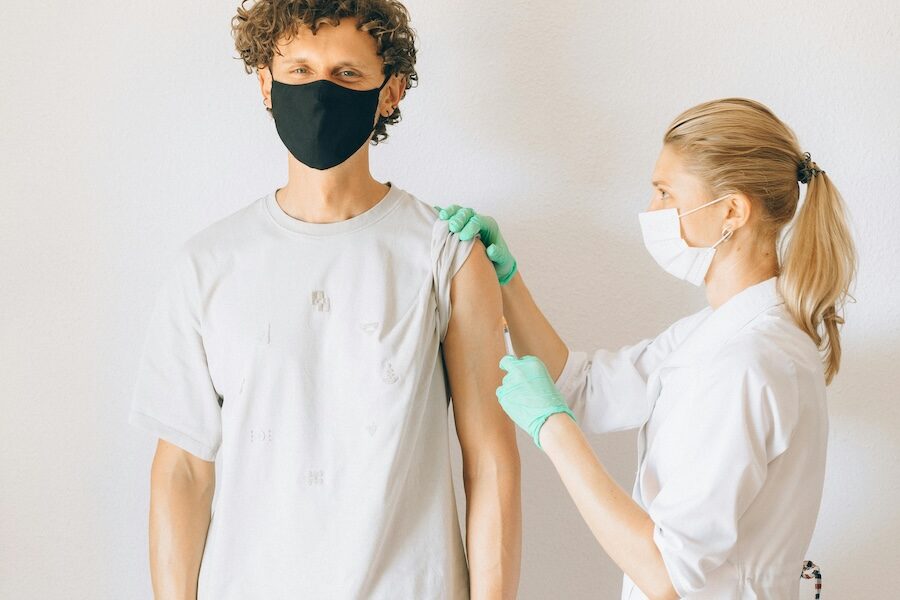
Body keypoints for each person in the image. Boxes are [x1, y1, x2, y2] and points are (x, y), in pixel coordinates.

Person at [127, 1, 522, 598]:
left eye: (346, 75)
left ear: (389, 92)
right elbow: (182, 470)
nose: (318, 91)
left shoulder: (446, 255)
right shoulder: (207, 264)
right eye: (298, 70)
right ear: (265, 82)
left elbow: (490, 461)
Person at [438, 98, 855, 599]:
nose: (650, 211)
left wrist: (551, 429)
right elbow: (584, 387)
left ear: (730, 210)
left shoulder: (745, 363)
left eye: (664, 193)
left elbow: (667, 574)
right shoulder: (714, 334)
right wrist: (509, 281)